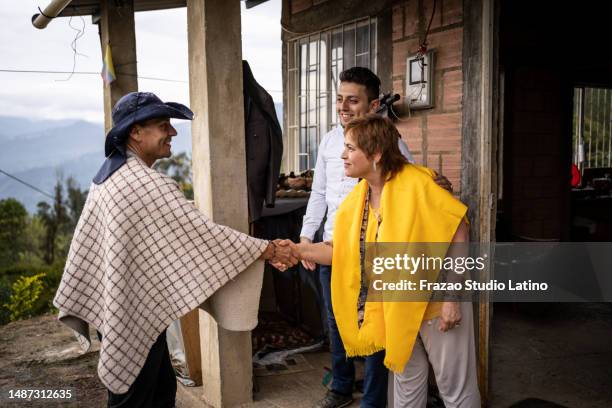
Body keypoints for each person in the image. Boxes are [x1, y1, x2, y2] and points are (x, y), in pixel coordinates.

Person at [53, 91, 298, 408]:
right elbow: (204, 238)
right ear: (135, 132)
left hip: (123, 308)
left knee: (159, 392)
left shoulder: (111, 174)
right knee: (139, 399)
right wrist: (267, 249)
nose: (172, 132)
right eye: (162, 124)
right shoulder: (143, 184)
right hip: (130, 313)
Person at [295, 115, 481, 408]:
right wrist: (295, 251)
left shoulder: (419, 183)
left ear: (376, 154)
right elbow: (342, 252)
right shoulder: (359, 199)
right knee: (405, 390)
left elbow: (460, 232)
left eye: (351, 148)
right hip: (396, 308)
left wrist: (452, 298)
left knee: (456, 389)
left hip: (436, 301)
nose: (343, 155)